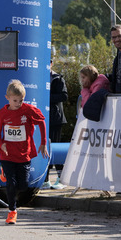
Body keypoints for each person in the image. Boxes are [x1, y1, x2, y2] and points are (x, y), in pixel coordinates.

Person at [0, 79, 48, 225]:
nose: (18, 103)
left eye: (21, 100)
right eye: (15, 100)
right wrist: (1, 144)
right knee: (11, 183)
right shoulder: (1, 114)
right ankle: (12, 211)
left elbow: (41, 121)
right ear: (7, 98)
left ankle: (6, 176)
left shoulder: (28, 110)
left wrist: (43, 143)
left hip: (24, 154)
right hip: (7, 155)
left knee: (23, 186)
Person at [42, 60, 68, 190]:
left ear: (51, 63)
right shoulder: (38, 77)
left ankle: (61, 179)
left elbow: (64, 96)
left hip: (56, 119)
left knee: (55, 149)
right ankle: (45, 180)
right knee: (44, 149)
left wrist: (46, 97)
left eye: (48, 62)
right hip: (42, 119)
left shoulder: (58, 78)